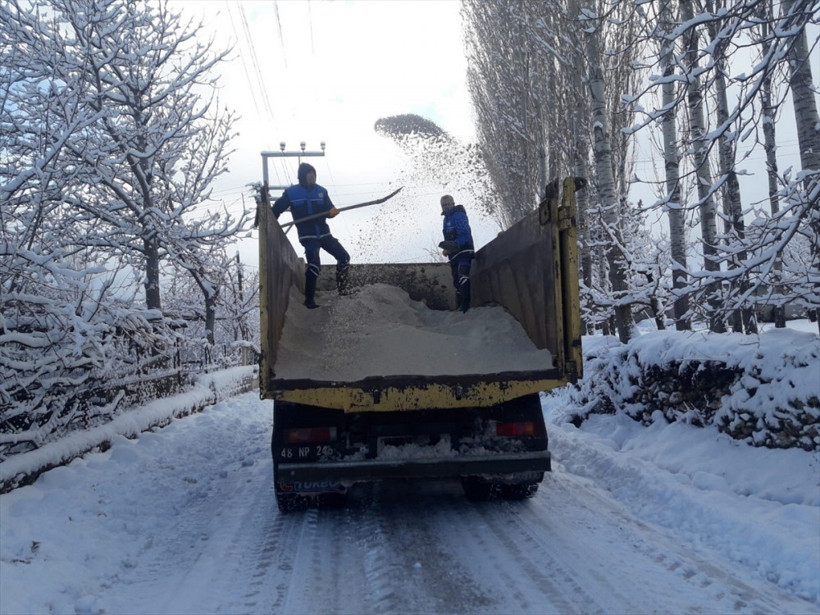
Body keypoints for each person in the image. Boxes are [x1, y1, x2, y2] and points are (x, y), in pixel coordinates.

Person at [272, 162, 350, 309]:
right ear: (302, 177)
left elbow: (329, 209)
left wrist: (332, 212)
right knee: (314, 265)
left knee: (344, 257)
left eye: (314, 174)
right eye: (309, 174)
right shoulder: (292, 193)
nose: (312, 177)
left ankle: (343, 291)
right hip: (308, 236)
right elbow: (277, 209)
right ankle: (309, 301)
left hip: (324, 234)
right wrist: (268, 223)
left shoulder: (322, 191)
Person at [439, 194, 474, 312]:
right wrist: (447, 249)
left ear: (453, 204)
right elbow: (449, 238)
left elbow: (465, 234)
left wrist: (454, 245)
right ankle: (461, 306)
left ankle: (466, 306)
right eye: (444, 205)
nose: (446, 207)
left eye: (449, 204)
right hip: (454, 254)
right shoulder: (446, 220)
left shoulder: (458, 215)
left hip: (464, 250)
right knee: (456, 280)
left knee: (463, 275)